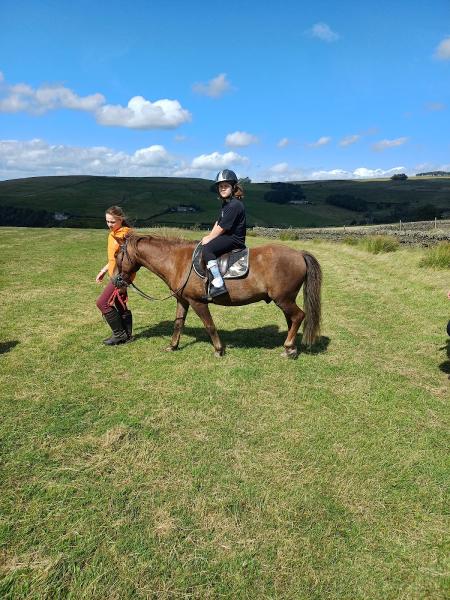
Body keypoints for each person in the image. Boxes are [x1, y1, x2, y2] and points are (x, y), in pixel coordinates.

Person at [201, 169, 246, 299]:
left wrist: (209, 240)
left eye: (226, 186)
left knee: (208, 249)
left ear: (233, 187)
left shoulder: (234, 205)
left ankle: (219, 282)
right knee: (208, 242)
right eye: (220, 186)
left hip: (233, 239)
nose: (223, 188)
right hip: (227, 236)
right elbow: (218, 222)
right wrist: (209, 236)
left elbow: (222, 228)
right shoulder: (226, 204)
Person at [95, 206, 134, 345]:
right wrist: (104, 270)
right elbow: (114, 258)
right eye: (107, 221)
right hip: (114, 274)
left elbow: (132, 258)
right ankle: (128, 336)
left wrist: (125, 276)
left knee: (102, 303)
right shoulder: (113, 234)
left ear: (121, 219)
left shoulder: (126, 234)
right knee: (120, 302)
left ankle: (119, 334)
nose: (109, 225)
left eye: (112, 222)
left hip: (121, 276)